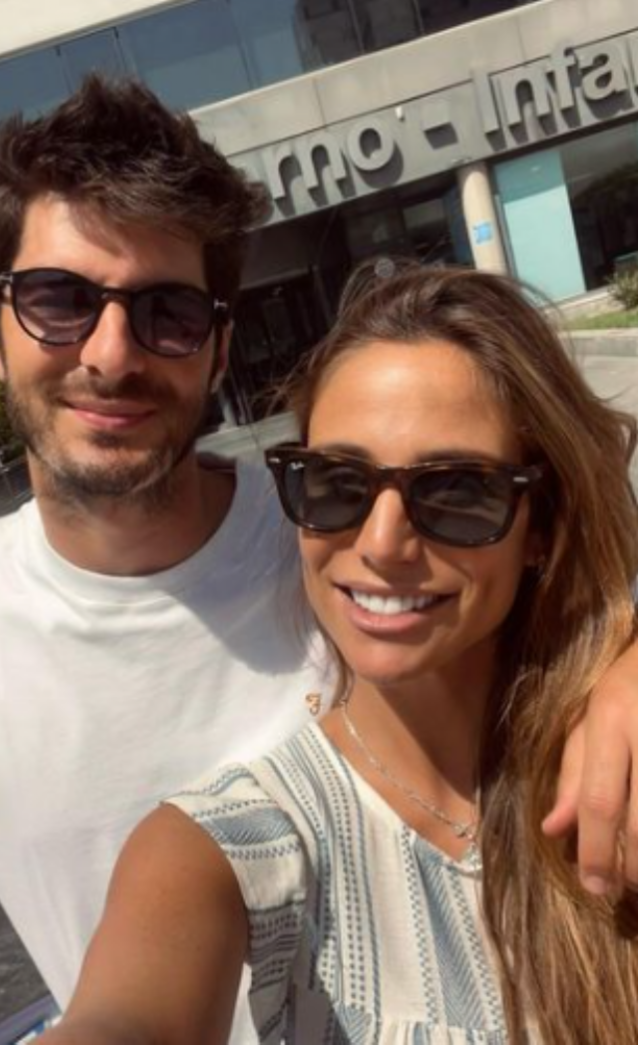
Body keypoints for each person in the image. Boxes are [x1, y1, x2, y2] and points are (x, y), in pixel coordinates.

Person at [0, 76, 634, 1045]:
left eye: (166, 311)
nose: (110, 353)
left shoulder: (330, 534)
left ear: (218, 347)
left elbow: (568, 589)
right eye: (58, 300)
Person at [40, 264, 638, 1045]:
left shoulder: (612, 762)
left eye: (457, 489)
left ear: (542, 527)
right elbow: (123, 1017)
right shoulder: (228, 842)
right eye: (336, 481)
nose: (382, 543)